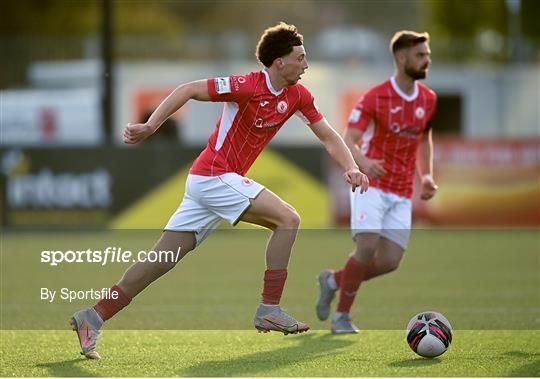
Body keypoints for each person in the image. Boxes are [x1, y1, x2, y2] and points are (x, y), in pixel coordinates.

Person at [70, 22, 369, 359]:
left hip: (210, 184)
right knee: (288, 219)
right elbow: (188, 89)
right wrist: (151, 126)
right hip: (214, 175)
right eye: (300, 58)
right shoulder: (247, 85)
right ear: (279, 62)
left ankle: (92, 316)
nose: (306, 65)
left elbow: (328, 135)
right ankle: (269, 307)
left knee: (159, 262)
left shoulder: (298, 95)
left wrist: (351, 167)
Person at [315, 30, 438, 334]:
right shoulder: (375, 96)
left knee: (389, 262)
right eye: (421, 55)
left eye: (427, 54)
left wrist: (426, 175)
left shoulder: (428, 99)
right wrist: (364, 162)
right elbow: (348, 139)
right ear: (401, 57)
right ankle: (342, 317)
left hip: (401, 191)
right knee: (367, 248)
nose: (427, 60)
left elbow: (424, 139)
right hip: (371, 186)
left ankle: (332, 280)